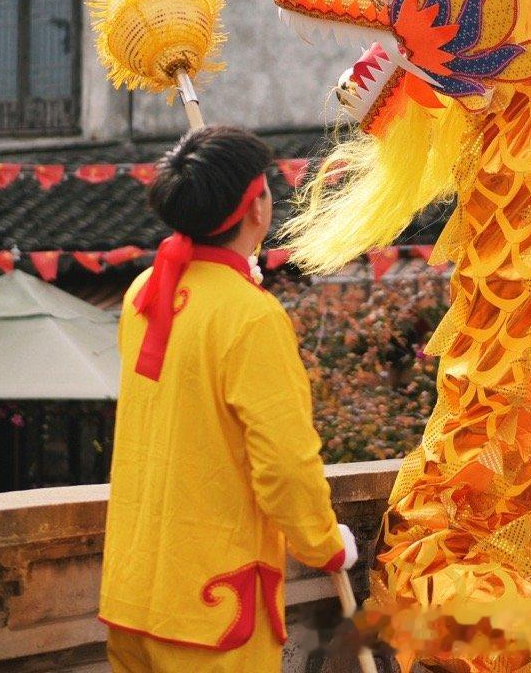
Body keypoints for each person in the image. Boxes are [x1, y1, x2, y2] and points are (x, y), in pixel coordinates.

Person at [99, 127, 356, 672]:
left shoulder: (142, 293)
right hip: (214, 613)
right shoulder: (251, 316)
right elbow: (285, 465)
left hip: (134, 596)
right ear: (256, 208)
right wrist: (325, 545)